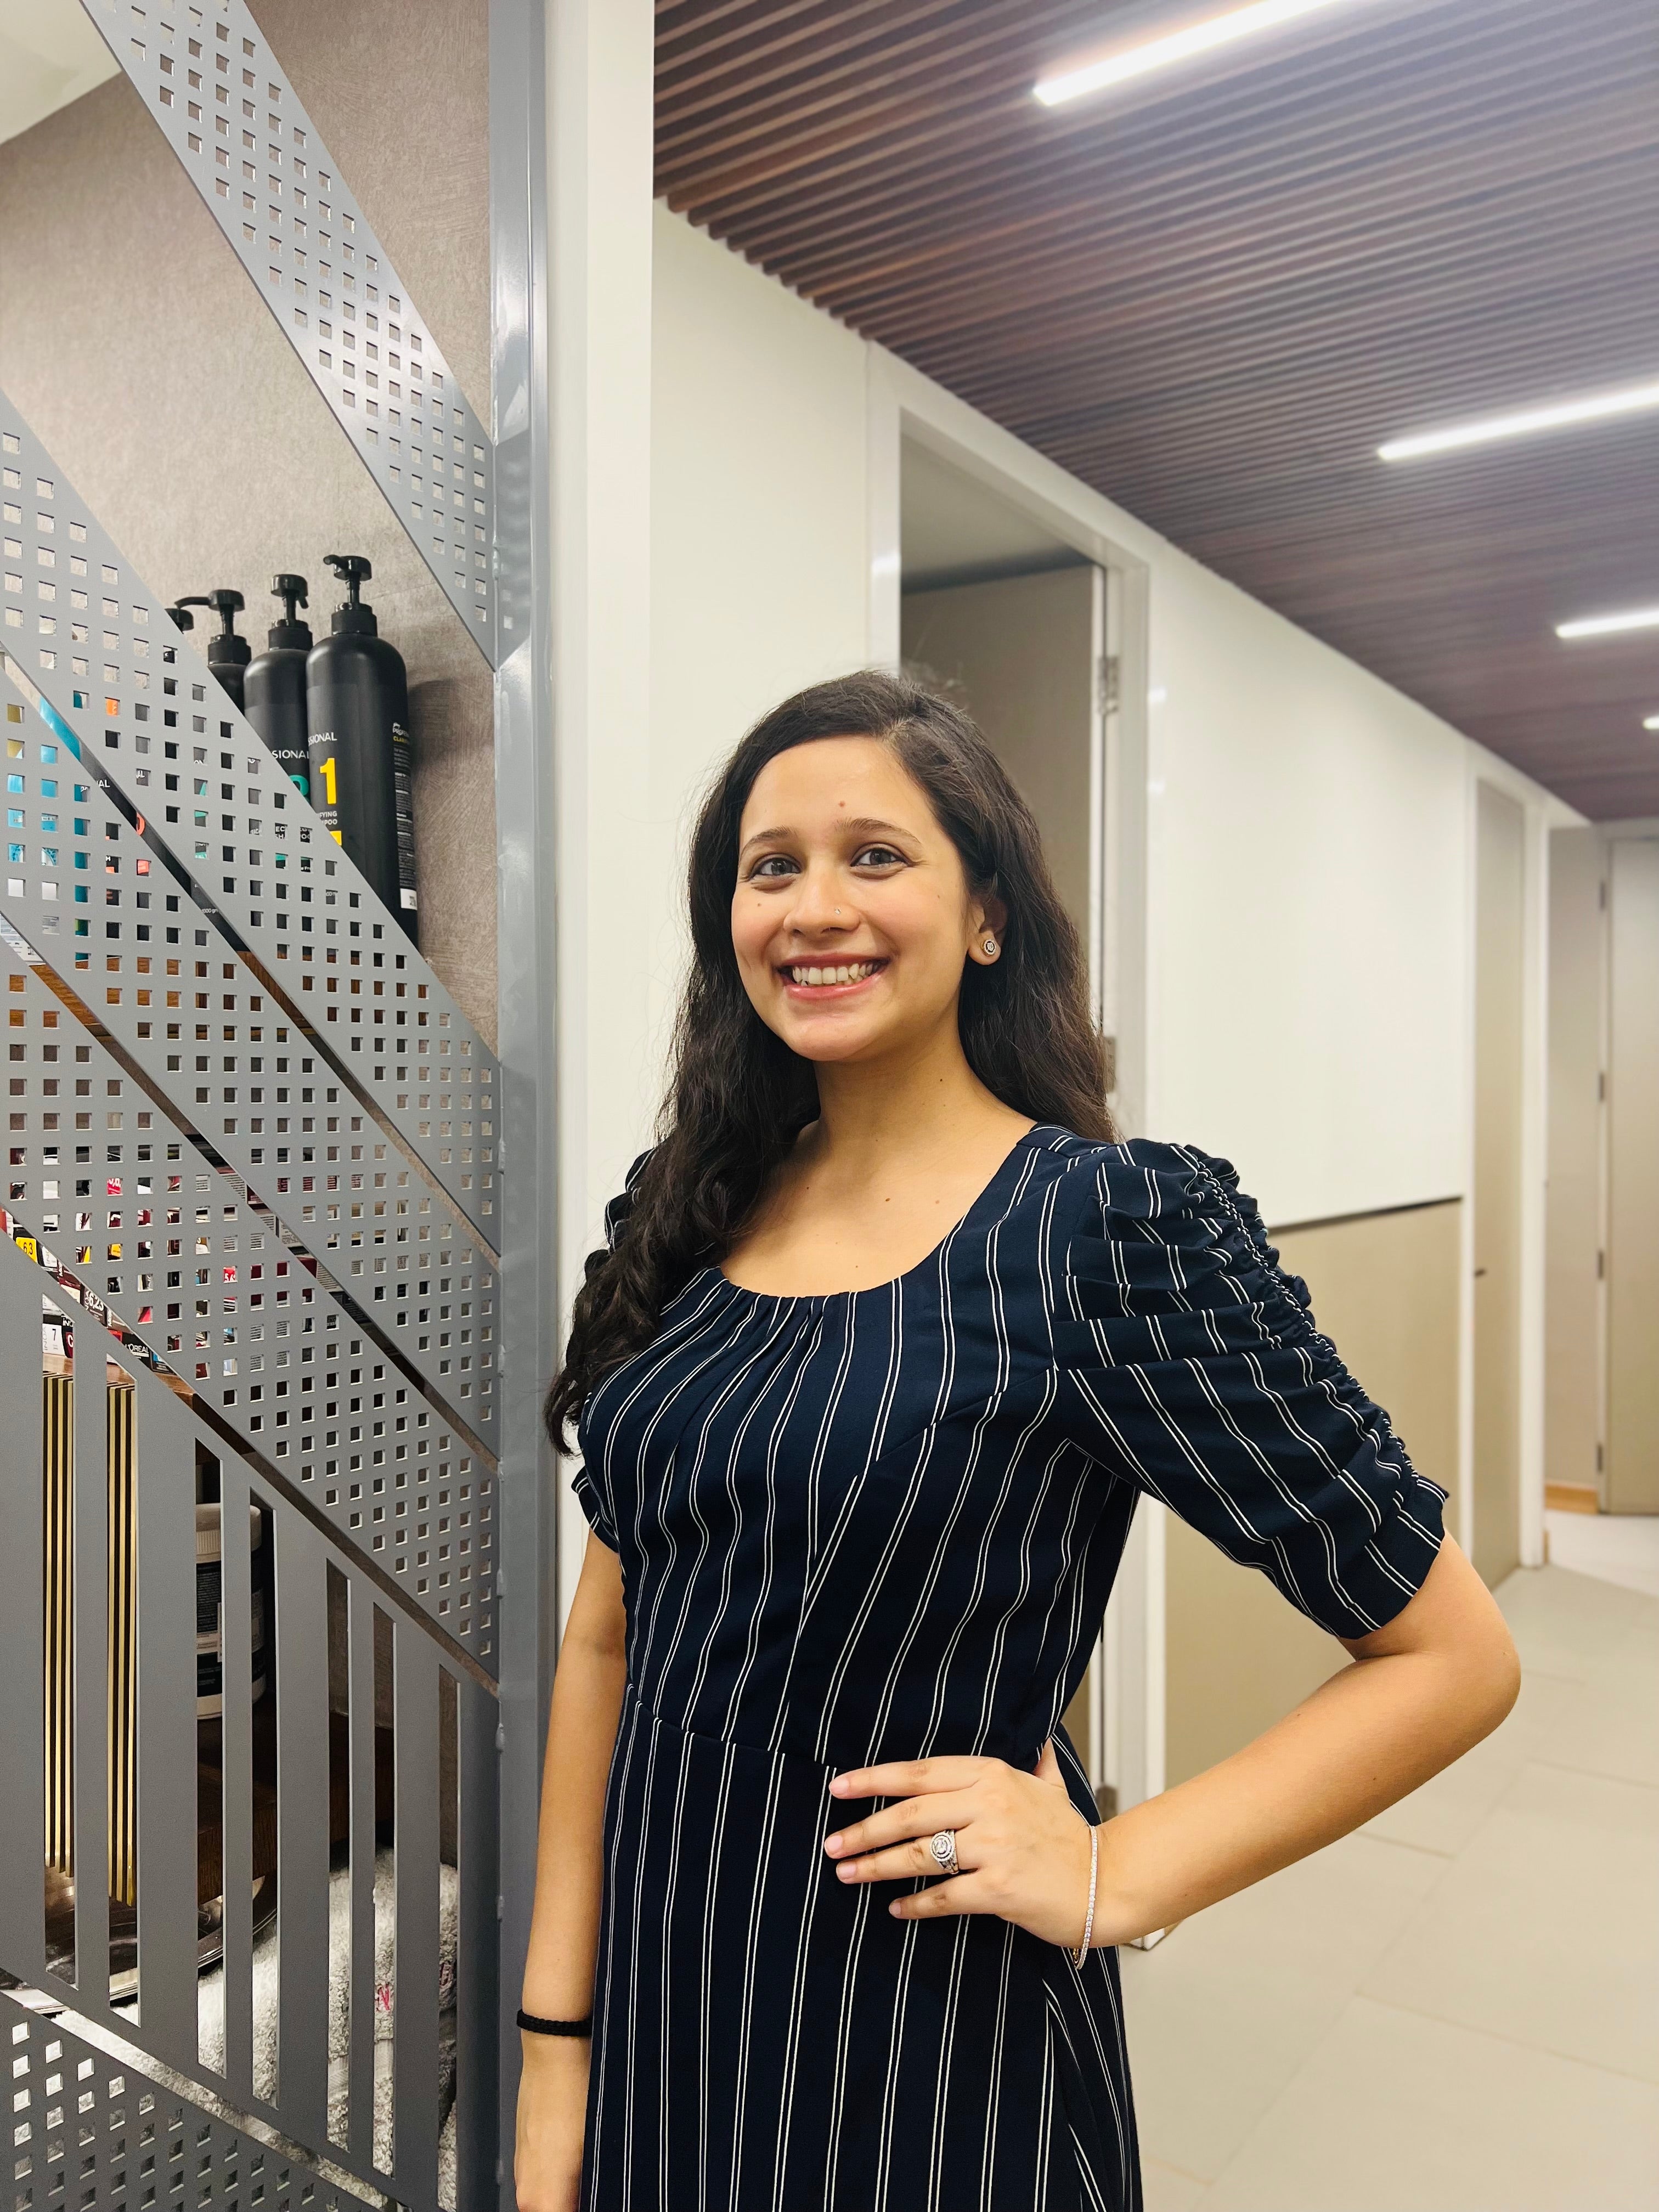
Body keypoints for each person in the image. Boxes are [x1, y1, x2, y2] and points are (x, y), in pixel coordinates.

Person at [513, 672, 1520, 2211]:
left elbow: (1451, 1656)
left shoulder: (1103, 1234)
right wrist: (553, 2047)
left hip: (920, 2041)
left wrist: (1121, 1870)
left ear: (987, 913)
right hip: (664, 2001)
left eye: (876, 855)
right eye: (769, 867)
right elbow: (608, 1640)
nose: (814, 906)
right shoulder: (690, 1206)